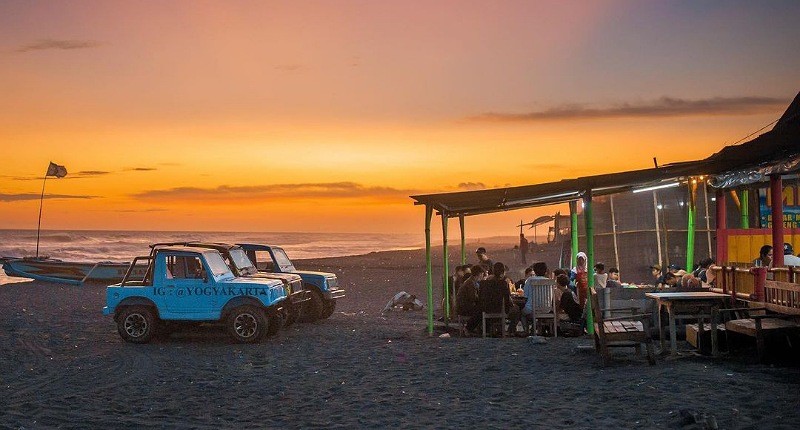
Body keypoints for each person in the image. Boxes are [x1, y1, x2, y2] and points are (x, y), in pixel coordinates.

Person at [477, 262, 520, 335]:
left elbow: (480, 297)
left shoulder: (483, 283)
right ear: (503, 272)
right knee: (517, 309)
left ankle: (498, 329)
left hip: (486, 309)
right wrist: (511, 305)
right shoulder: (503, 283)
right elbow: (507, 300)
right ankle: (511, 330)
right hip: (500, 309)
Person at [521, 262, 548, 335]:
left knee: (521, 313)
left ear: (535, 271)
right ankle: (533, 329)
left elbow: (525, 297)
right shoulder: (548, 281)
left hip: (532, 308)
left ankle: (526, 331)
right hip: (546, 309)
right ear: (545, 271)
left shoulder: (530, 280)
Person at [458, 265, 486, 330]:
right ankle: (468, 328)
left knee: (482, 309)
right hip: (464, 308)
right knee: (482, 311)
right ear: (479, 274)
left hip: (464, 306)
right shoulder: (471, 283)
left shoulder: (471, 281)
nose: (482, 276)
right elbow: (473, 298)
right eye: (482, 274)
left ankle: (476, 328)